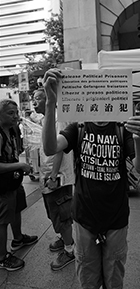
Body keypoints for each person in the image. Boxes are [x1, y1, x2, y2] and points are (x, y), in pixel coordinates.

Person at [42, 69, 140, 288]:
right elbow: (50, 147)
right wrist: (50, 103)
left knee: (114, 278)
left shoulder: (123, 130)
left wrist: (139, 140)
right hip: (84, 219)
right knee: (88, 279)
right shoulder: (77, 129)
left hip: (116, 219)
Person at [32, 88, 75, 271]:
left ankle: (70, 249)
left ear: (49, 100)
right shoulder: (46, 119)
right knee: (55, 213)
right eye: (33, 99)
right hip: (49, 176)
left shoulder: (57, 118)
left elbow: (59, 149)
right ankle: (64, 238)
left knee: (62, 215)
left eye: (38, 99)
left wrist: (53, 176)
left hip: (57, 178)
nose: (34, 102)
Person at [0, 99, 38, 272]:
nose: (16, 116)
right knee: (2, 221)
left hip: (14, 181)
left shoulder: (14, 129)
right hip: (2, 186)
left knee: (16, 208)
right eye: (10, 113)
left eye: (16, 112)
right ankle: (2, 257)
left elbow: (18, 149)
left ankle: (18, 239)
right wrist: (20, 165)